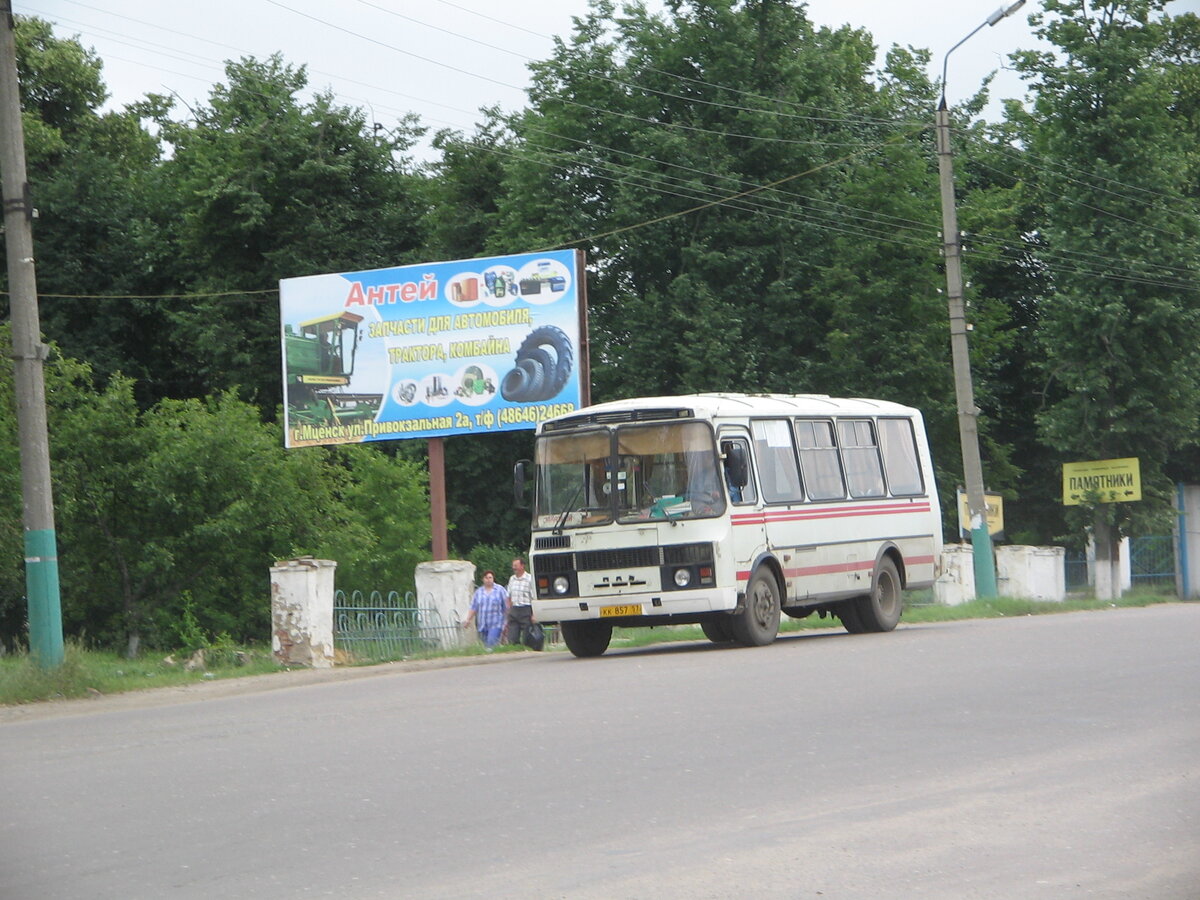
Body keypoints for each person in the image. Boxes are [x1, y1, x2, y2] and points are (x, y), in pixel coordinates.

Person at [462, 570, 508, 651]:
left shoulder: (500, 590)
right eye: (486, 578)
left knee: (490, 644)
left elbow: (506, 607)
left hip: (496, 624)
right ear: (483, 579)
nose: (488, 579)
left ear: (493, 579)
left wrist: (506, 622)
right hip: (482, 625)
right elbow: (473, 607)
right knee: (485, 646)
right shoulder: (478, 592)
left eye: (490, 577)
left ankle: (492, 657)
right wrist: (468, 619)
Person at [505, 557, 535, 647]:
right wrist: (509, 611)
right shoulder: (512, 579)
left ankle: (527, 649)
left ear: (522, 566)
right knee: (512, 637)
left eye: (516, 565)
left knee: (527, 636)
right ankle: (514, 649)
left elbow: (533, 597)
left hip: (526, 609)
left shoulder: (529, 579)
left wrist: (534, 614)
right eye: (513, 566)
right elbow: (509, 596)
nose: (514, 568)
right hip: (514, 609)